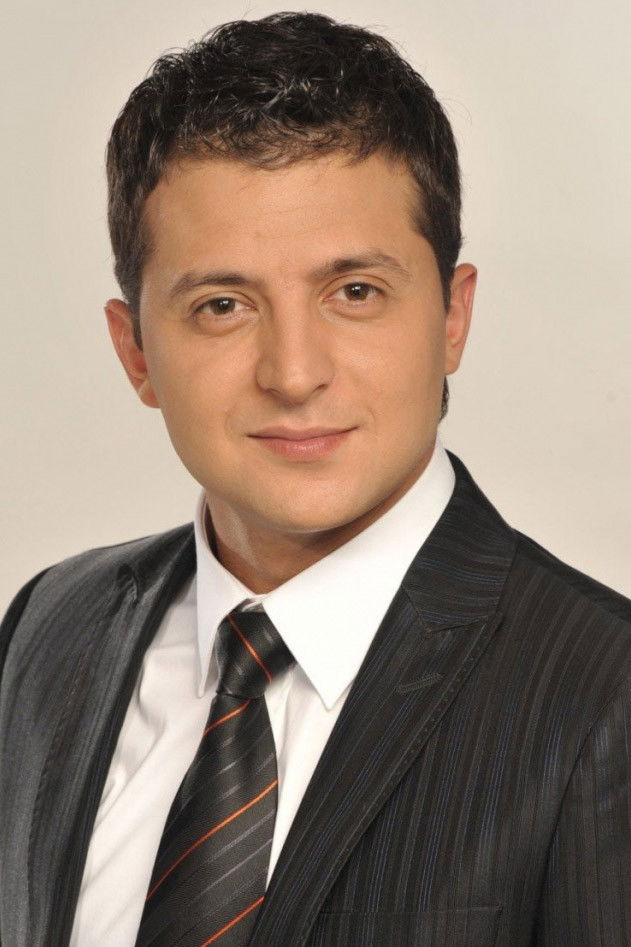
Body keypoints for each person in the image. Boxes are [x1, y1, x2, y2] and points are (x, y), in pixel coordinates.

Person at [1, 10, 630, 947]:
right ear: (135, 352)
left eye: (355, 293)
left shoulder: (603, 691)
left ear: (451, 318)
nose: (293, 374)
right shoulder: (49, 628)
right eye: (222, 304)